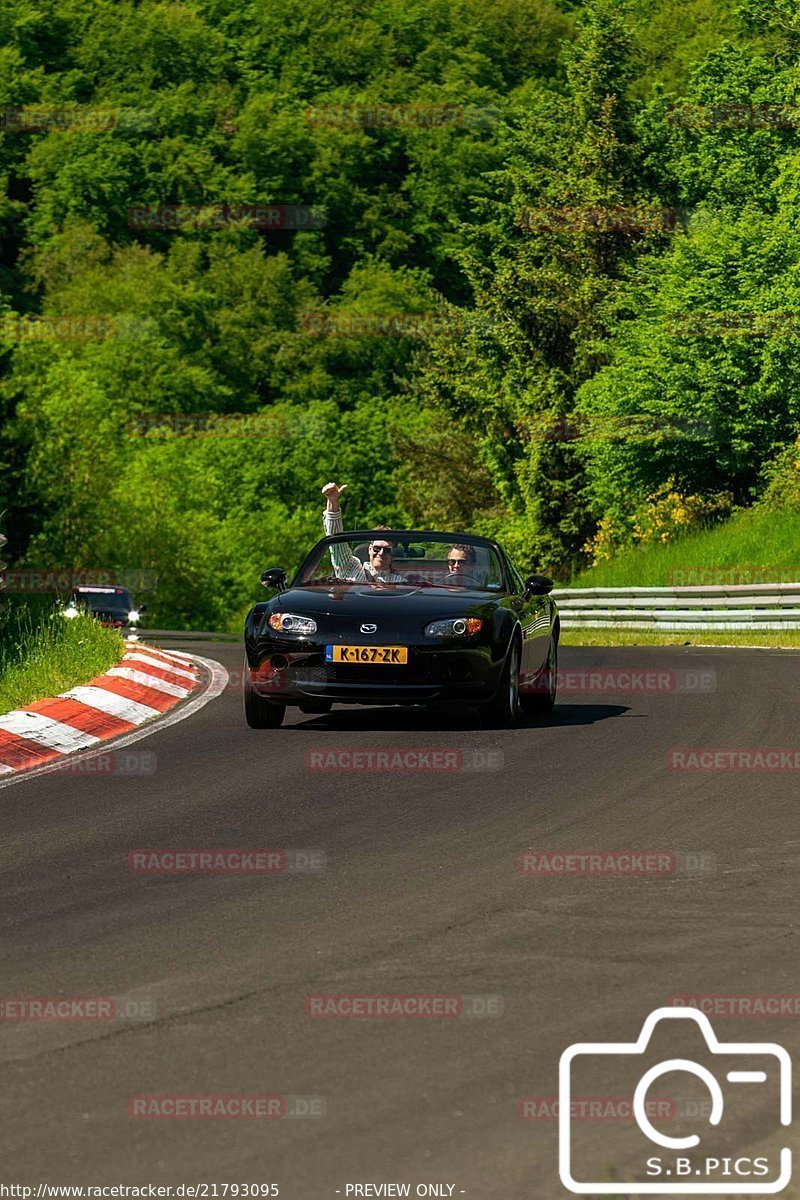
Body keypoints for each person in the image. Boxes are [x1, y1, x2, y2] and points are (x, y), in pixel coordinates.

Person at [321, 482, 408, 583]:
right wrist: (332, 501)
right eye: (377, 548)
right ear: (370, 549)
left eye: (387, 550)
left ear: (393, 554)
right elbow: (337, 543)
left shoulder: (401, 583)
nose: (381, 553)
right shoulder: (351, 567)